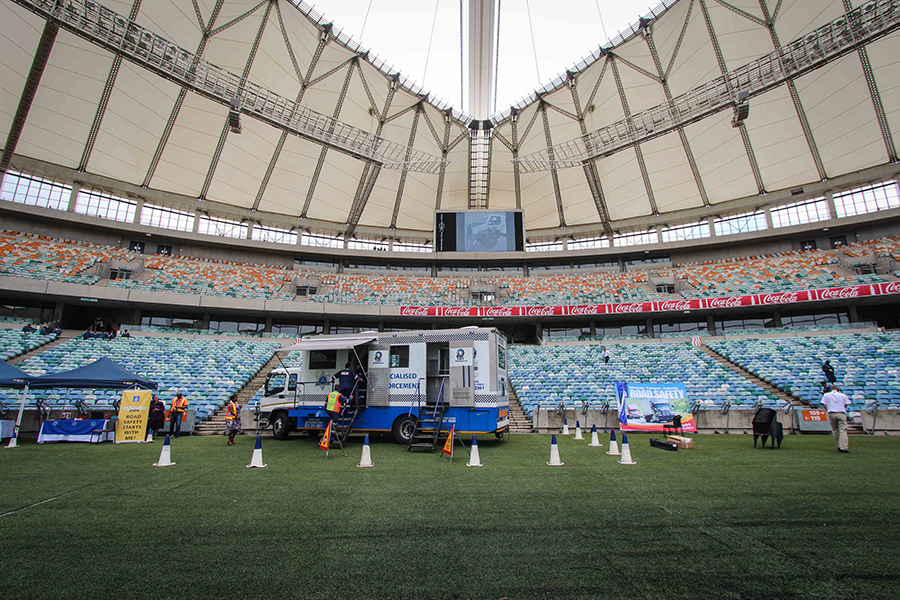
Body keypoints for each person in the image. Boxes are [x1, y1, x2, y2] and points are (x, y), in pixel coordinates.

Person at [821, 384, 851, 453]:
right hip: (841, 413)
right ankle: (844, 447)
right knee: (843, 430)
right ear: (837, 389)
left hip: (831, 413)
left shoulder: (826, 395)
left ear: (831, 389)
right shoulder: (843, 395)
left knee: (835, 430)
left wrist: (828, 410)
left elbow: (825, 405)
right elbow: (846, 404)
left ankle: (838, 445)